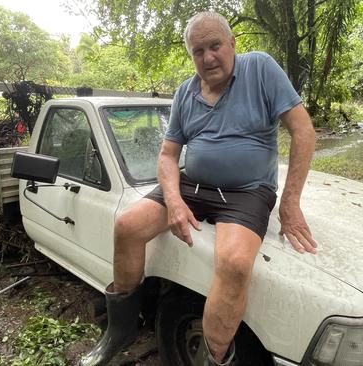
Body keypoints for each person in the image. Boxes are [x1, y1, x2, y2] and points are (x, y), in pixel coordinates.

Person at [80, 11, 317, 366]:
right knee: (127, 226)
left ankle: (212, 357)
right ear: (191, 55)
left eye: (215, 46)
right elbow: (167, 155)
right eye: (198, 51)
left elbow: (304, 131)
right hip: (192, 186)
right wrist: (174, 202)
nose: (208, 58)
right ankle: (121, 330)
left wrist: (290, 203)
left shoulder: (261, 69)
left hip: (247, 192)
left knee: (235, 263)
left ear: (232, 43)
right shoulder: (185, 93)